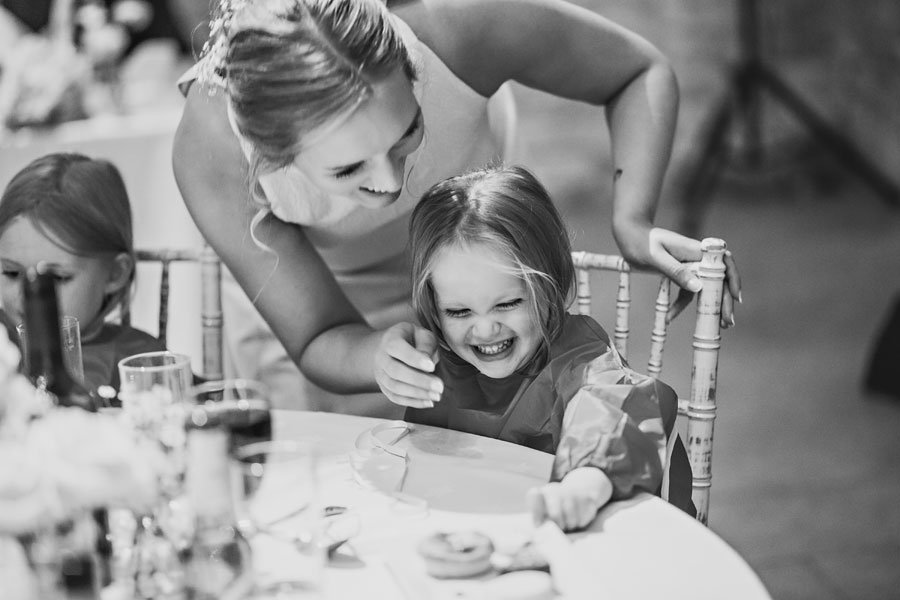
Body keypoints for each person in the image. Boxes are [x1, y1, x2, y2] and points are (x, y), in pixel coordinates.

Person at [172, 0, 741, 415]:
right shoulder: (213, 149)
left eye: (408, 130)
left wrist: (632, 217)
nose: (392, 182)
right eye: (347, 170)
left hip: (481, 265)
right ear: (271, 157)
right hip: (327, 306)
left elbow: (637, 70)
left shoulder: (461, 28)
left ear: (413, 70)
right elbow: (317, 336)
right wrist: (376, 355)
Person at [405, 164, 693, 528]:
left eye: (507, 303)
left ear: (549, 286)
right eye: (459, 311)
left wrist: (584, 486)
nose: (485, 328)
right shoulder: (443, 362)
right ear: (434, 305)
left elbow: (617, 411)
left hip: (569, 541)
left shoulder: (579, 360)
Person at [0, 152, 167, 396]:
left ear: (114, 274)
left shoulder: (140, 362)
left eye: (56, 278)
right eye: (11, 273)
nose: (30, 295)